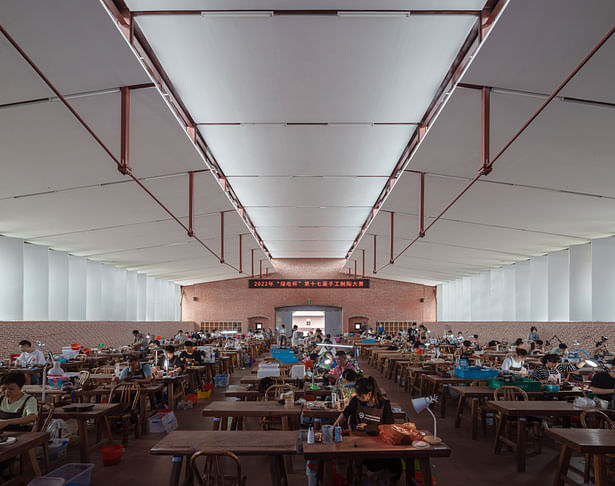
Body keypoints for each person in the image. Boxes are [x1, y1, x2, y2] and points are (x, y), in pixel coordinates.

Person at [333, 377, 400, 480]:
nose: (357, 397)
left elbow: (389, 426)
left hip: (380, 441)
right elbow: (345, 414)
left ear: (369, 394)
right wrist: (333, 427)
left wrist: (370, 427)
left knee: (394, 462)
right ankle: (374, 475)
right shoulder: (356, 401)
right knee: (371, 462)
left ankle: (379, 476)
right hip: (360, 441)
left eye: (360, 395)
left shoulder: (384, 404)